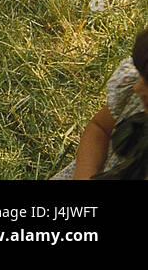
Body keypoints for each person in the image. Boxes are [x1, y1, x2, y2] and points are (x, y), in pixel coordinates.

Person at [53, 28, 148, 180]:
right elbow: (100, 128)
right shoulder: (136, 95)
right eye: (142, 77)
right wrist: (85, 173)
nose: (137, 87)